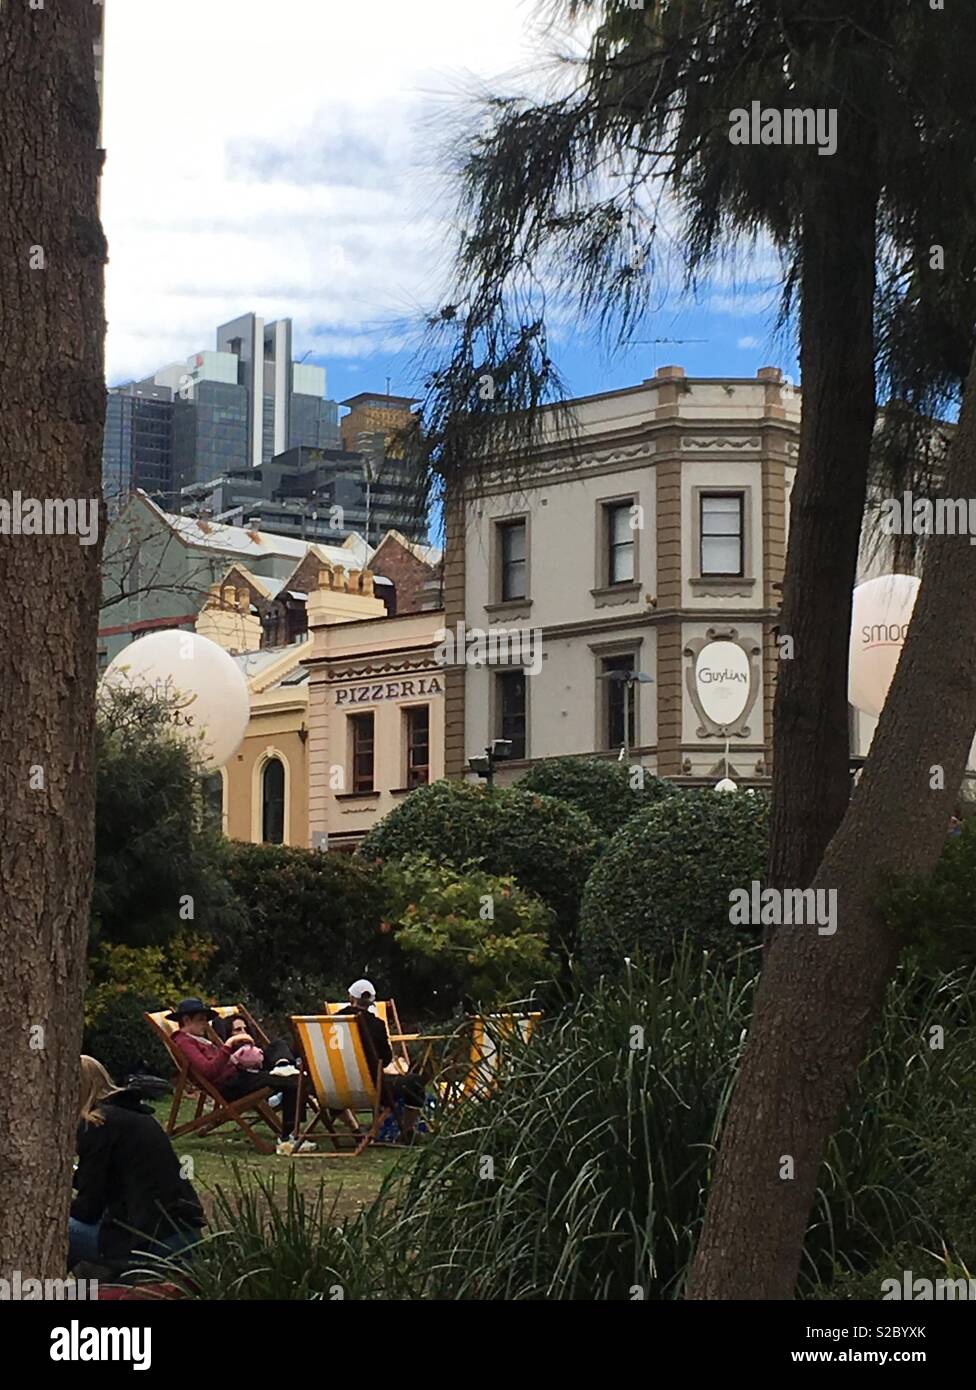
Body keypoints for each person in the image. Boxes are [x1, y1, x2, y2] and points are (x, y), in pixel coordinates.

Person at [69, 1056, 205, 1273]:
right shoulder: (134, 1114)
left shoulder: (97, 1123)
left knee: (51, 1228)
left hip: (149, 1243)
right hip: (185, 1235)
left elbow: (88, 1208)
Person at [166, 998, 312, 1155]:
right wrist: (229, 1045)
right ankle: (288, 1138)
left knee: (277, 1047)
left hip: (239, 1076)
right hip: (231, 1086)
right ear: (186, 1020)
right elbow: (208, 1071)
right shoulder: (184, 1042)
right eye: (201, 1020)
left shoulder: (196, 1039)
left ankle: (284, 1067)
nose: (205, 1024)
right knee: (292, 1081)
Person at [337, 980, 427, 1143]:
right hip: (371, 1088)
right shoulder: (376, 1025)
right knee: (415, 1083)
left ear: (351, 998)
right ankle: (406, 1132)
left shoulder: (332, 1021)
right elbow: (385, 1060)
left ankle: (355, 1129)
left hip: (334, 1086)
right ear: (372, 1001)